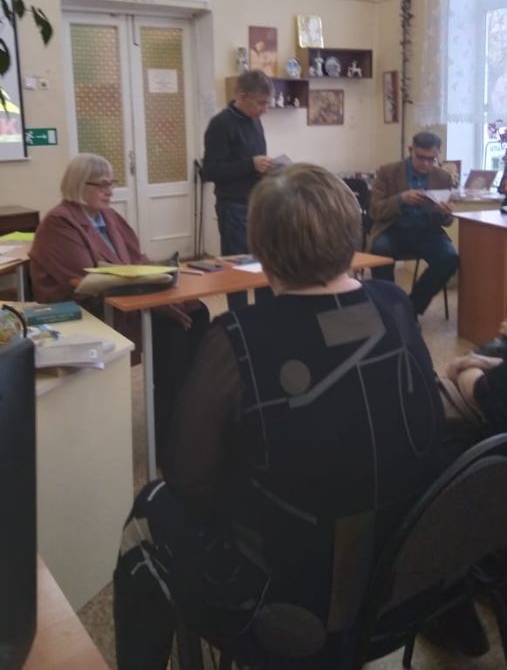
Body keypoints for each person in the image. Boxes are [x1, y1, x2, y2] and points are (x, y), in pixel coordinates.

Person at [113, 163, 445, 669]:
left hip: (288, 612)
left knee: (150, 506)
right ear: (352, 232)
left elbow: (186, 479)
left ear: (261, 249)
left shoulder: (237, 336)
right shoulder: (395, 304)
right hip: (399, 588)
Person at [29, 153, 209, 457]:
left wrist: (167, 283)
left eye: (111, 184)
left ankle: (186, 412)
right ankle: (166, 436)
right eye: (102, 185)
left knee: (197, 311)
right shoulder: (59, 223)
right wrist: (157, 303)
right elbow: (90, 281)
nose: (110, 191)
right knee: (171, 329)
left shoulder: (109, 216)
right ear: (78, 185)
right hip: (86, 310)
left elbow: (138, 260)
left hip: (124, 299)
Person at [202, 69, 274, 310]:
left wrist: (267, 167)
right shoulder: (221, 124)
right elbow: (210, 171)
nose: (265, 109)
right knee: (237, 268)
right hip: (233, 206)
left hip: (258, 203)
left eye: (268, 103)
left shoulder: (255, 121)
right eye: (261, 103)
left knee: (264, 262)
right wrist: (250, 164)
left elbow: (255, 161)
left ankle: (267, 314)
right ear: (242, 97)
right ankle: (239, 317)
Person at [369, 131, 459, 317]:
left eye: (431, 159)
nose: (426, 164)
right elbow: (375, 211)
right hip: (393, 229)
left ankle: (410, 308)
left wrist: (446, 213)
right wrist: (401, 199)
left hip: (427, 231)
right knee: (380, 249)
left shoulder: (443, 177)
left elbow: (447, 222)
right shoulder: (388, 172)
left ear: (438, 154)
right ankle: (388, 308)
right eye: (421, 157)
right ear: (411, 150)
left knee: (450, 258)